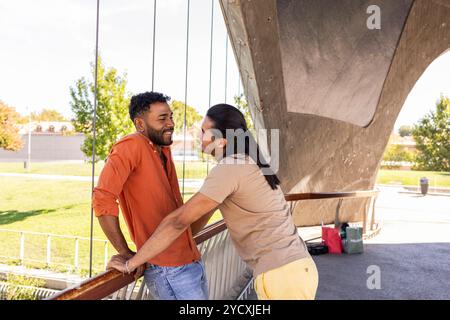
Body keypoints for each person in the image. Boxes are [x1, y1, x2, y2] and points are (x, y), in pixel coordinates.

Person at [107, 103, 319, 300]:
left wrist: (132, 262)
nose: (199, 136)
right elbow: (194, 221)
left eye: (203, 131)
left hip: (282, 275)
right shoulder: (247, 161)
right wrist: (173, 247)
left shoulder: (230, 168)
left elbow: (178, 221)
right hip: (293, 269)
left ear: (222, 140)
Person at [93, 92, 211, 300]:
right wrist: (125, 253)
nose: (171, 123)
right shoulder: (130, 146)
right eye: (162, 118)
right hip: (167, 270)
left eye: (171, 117)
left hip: (191, 261)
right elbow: (103, 198)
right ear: (140, 123)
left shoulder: (164, 150)